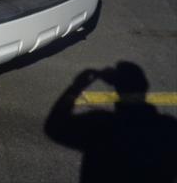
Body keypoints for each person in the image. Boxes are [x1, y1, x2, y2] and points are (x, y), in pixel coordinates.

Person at [45, 61, 177, 182]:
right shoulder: (169, 129)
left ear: (115, 87)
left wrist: (76, 87)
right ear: (145, 87)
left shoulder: (100, 126)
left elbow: (54, 126)